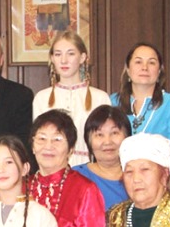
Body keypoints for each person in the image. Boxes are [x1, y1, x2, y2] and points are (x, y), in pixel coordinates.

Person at [32, 31, 111, 167]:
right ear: (52, 58)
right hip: (53, 168)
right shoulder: (42, 98)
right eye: (58, 54)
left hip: (90, 168)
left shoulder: (100, 98)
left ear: (82, 57)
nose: (64, 60)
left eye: (70, 53)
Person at [110, 43, 170, 169]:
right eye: (138, 62)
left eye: (151, 62)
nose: (144, 67)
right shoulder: (111, 102)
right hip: (117, 177)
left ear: (159, 72)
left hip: (160, 180)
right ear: (128, 70)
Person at [74, 105, 131, 209]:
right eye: (99, 135)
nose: (107, 141)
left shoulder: (138, 176)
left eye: (114, 133)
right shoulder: (75, 177)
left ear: (127, 137)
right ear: (88, 141)